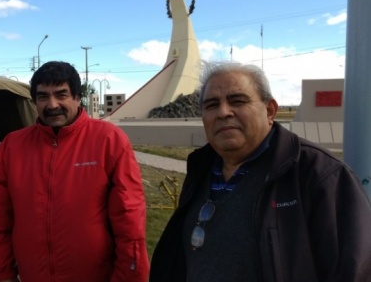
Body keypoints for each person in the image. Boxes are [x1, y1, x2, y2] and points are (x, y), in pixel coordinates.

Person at [150, 62, 371, 282]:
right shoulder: (201, 169)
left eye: (238, 101)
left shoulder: (321, 174)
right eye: (211, 105)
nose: (223, 112)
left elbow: (355, 271)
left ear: (270, 110)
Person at [0, 61, 149, 282]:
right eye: (43, 97)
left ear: (78, 97)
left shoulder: (108, 140)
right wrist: (4, 274)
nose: (52, 105)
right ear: (34, 102)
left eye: (61, 94)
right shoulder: (11, 148)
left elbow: (130, 220)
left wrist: (129, 276)